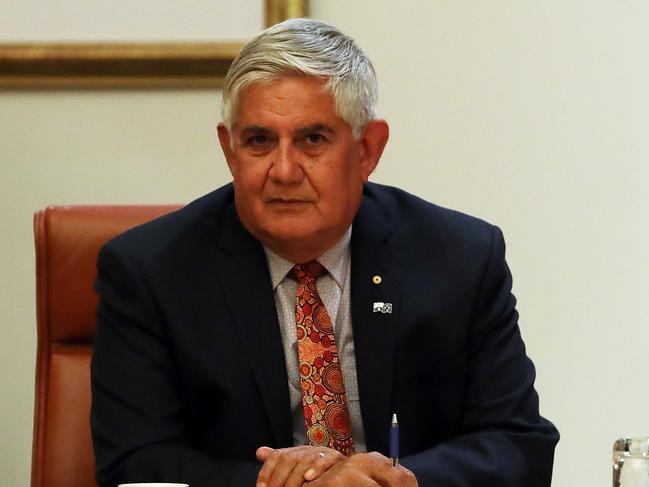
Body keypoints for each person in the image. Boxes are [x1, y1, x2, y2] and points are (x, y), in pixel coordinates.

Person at [91, 18, 559, 487]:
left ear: (368, 150)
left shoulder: (460, 258)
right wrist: (287, 484)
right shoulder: (151, 272)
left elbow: (518, 443)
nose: (284, 170)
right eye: (259, 141)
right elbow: (135, 462)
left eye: (312, 139)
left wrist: (400, 480)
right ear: (229, 150)